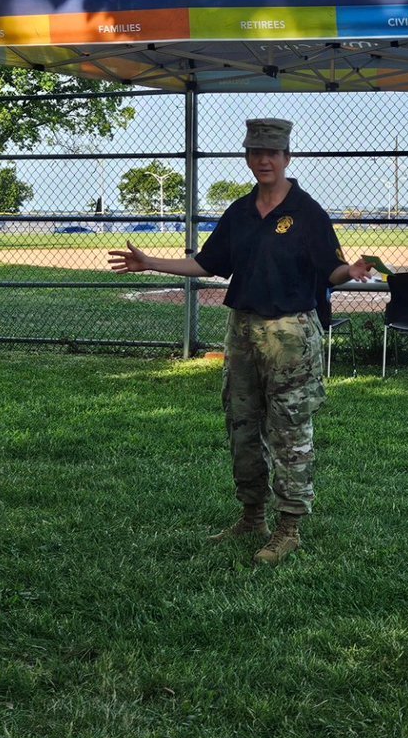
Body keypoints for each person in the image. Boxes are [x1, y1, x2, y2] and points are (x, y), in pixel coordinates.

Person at [109, 118, 372, 566]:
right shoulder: (240, 212)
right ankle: (252, 517)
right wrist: (149, 261)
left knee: (290, 429)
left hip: (290, 332)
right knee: (243, 425)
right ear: (248, 157)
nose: (263, 160)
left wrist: (351, 271)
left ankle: (289, 527)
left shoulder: (307, 212)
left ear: (287, 157)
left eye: (272, 153)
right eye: (255, 152)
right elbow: (208, 264)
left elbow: (330, 271)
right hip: (243, 329)